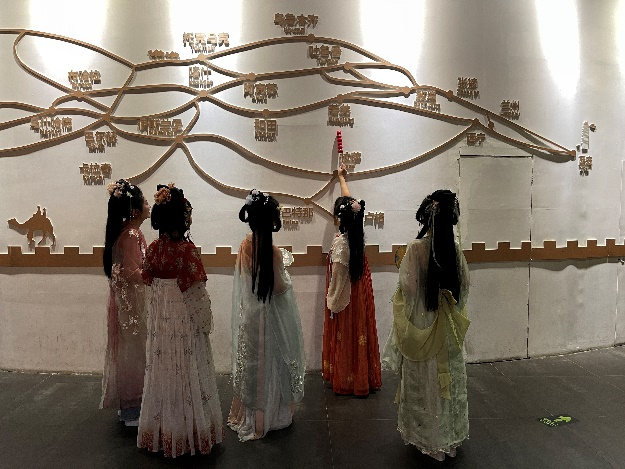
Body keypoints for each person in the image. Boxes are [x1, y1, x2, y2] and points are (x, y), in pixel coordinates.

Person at [382, 190, 470, 461]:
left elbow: (408, 289)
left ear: (427, 217)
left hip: (423, 323)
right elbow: (464, 286)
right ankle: (450, 440)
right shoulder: (455, 249)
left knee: (425, 380)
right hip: (448, 326)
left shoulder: (416, 248)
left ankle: (430, 440)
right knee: (449, 380)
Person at [137, 183, 223, 458]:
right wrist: (205, 322)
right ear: (182, 218)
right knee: (188, 370)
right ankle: (189, 432)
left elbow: (149, 283)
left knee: (164, 370)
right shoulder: (186, 251)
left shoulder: (153, 249)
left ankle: (164, 430)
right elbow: (197, 293)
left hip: (162, 323)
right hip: (184, 322)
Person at [228, 189, 306, 441]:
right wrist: (286, 273)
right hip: (270, 317)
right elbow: (280, 287)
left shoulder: (245, 245)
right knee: (271, 363)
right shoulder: (271, 251)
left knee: (253, 364)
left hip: (251, 316)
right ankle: (271, 415)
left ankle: (251, 416)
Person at [322, 164, 382, 396]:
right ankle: (361, 377)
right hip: (360, 293)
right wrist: (341, 178)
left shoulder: (341, 243)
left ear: (340, 219)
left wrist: (331, 302)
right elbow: (349, 203)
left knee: (346, 336)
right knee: (360, 333)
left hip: (345, 296)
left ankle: (347, 379)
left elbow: (337, 279)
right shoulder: (356, 236)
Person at [101, 179, 150, 426]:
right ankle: (133, 407)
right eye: (145, 201)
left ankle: (130, 406)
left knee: (131, 348)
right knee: (135, 350)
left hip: (127, 301)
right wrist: (154, 275)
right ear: (135, 210)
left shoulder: (125, 232)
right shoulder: (131, 234)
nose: (149, 205)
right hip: (132, 301)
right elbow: (132, 272)